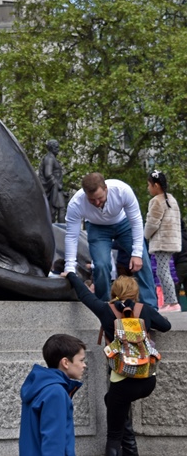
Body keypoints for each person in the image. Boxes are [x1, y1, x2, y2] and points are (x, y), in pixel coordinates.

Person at [65, 273, 170, 456]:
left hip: (122, 381)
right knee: (113, 403)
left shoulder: (106, 310)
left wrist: (71, 275)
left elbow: (85, 295)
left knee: (113, 436)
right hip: (147, 380)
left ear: (115, 291)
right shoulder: (145, 310)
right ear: (135, 293)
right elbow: (166, 326)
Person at [64, 173, 158, 308]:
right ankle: (103, 305)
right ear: (85, 194)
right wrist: (69, 268)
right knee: (101, 265)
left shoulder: (122, 191)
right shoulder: (76, 203)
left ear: (106, 188)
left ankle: (150, 307)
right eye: (92, 200)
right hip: (97, 228)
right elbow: (72, 236)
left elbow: (136, 221)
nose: (97, 203)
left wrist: (136, 253)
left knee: (141, 260)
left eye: (100, 198)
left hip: (124, 224)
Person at [18, 333, 86, 456]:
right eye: (81, 360)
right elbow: (53, 442)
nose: (84, 365)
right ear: (65, 362)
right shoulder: (56, 392)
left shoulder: (40, 387)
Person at [144, 170, 182, 312]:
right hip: (171, 241)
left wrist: (145, 235)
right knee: (163, 270)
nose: (148, 188)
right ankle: (168, 302)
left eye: (149, 185)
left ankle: (172, 302)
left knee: (162, 271)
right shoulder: (171, 200)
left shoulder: (157, 201)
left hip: (161, 242)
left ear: (156, 185)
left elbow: (152, 223)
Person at [39, 139, 66, 223]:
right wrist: (57, 185)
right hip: (53, 188)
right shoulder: (49, 158)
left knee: (61, 208)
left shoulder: (52, 158)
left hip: (56, 188)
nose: (58, 149)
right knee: (57, 209)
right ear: (51, 148)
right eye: (56, 147)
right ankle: (55, 228)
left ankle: (61, 230)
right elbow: (48, 174)